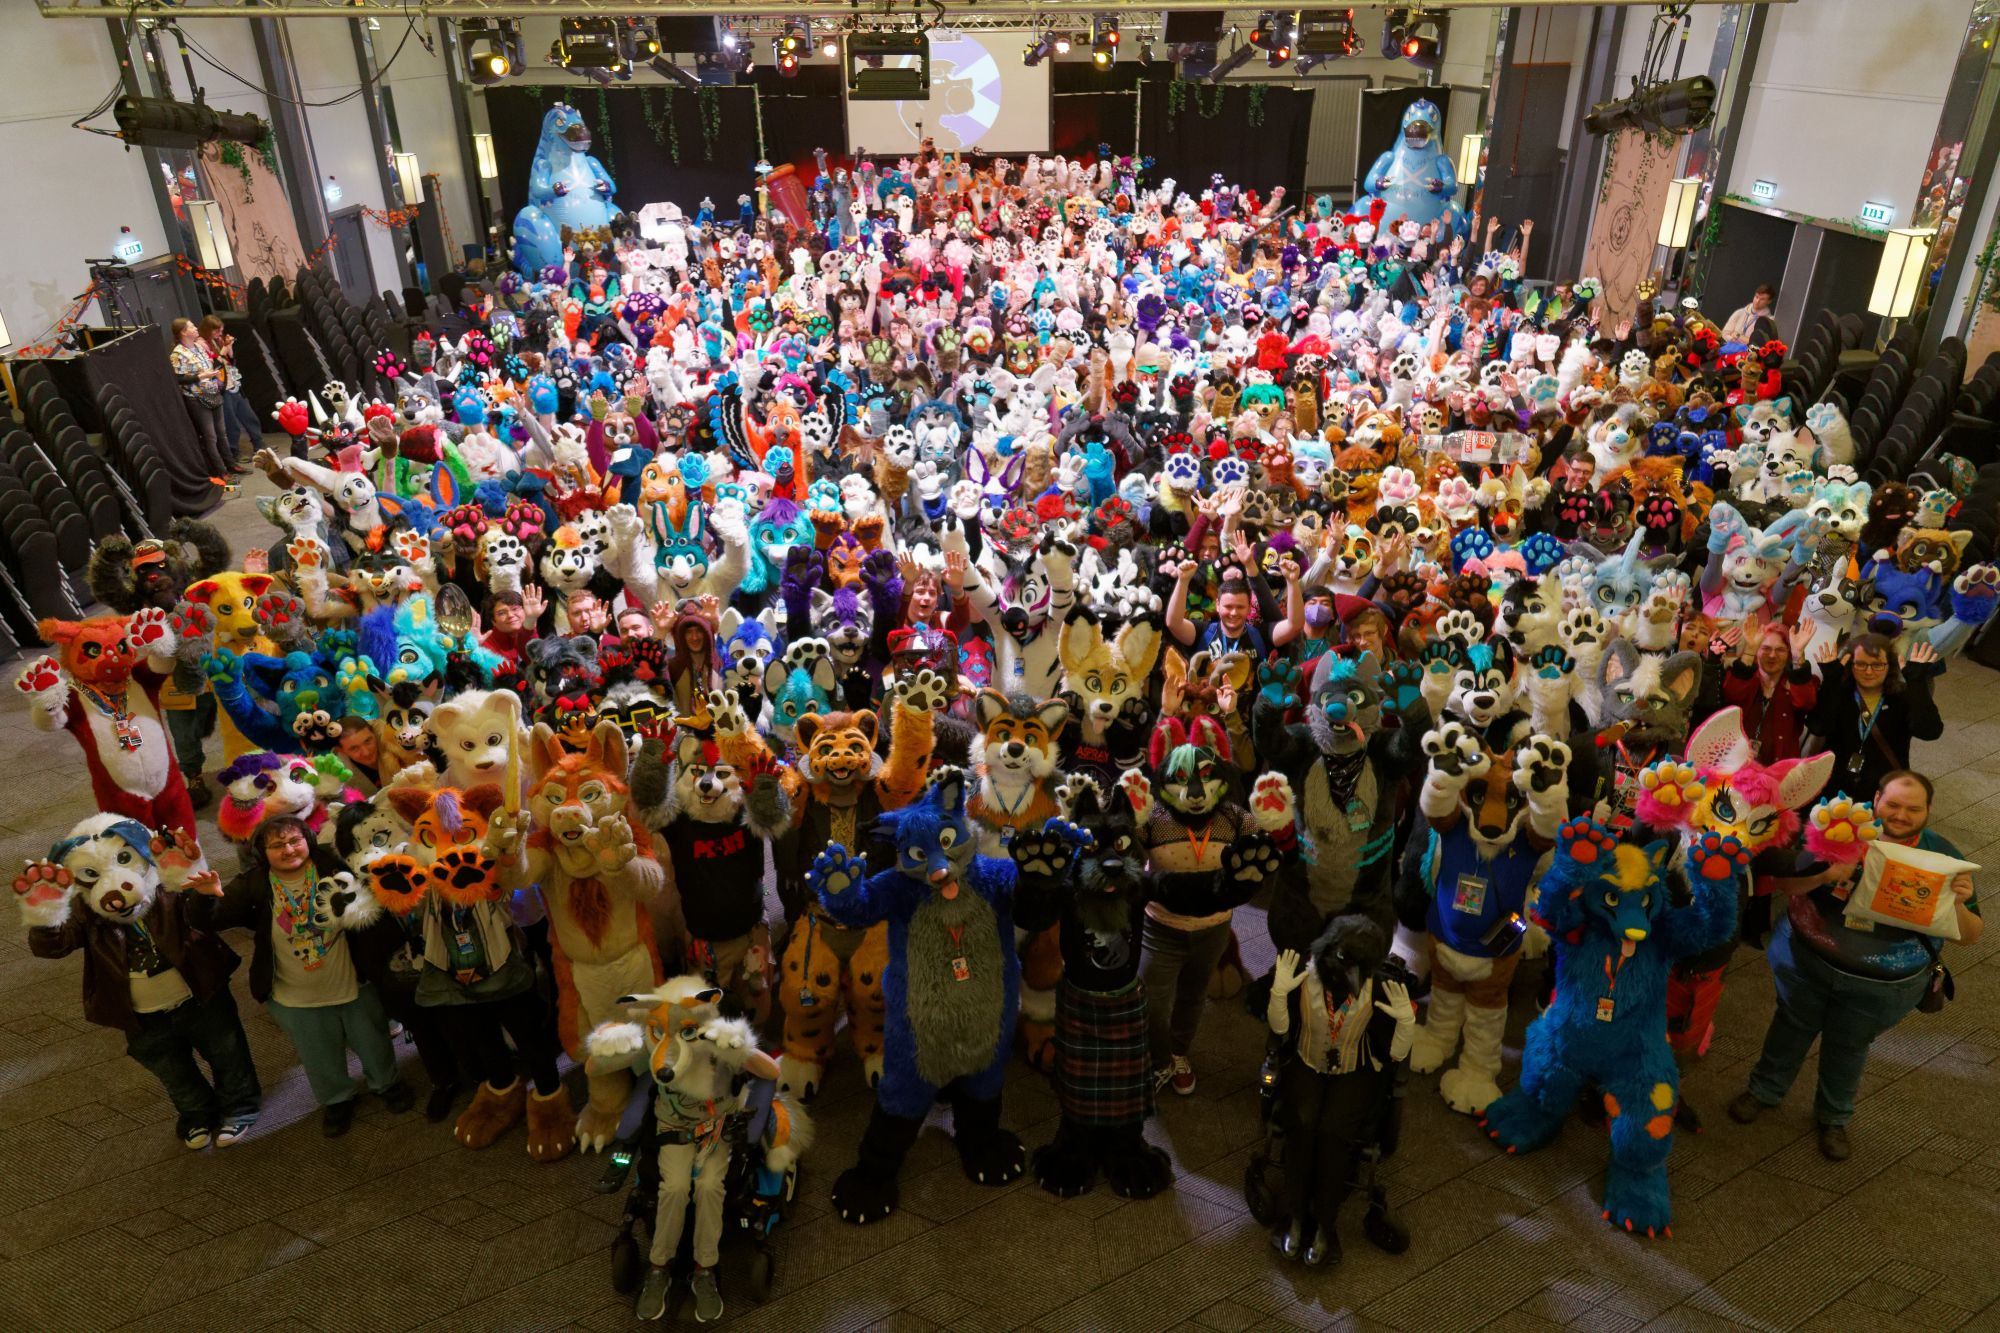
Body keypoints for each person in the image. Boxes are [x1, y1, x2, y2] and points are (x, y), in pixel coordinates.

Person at [1730, 770, 1982, 1159]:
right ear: (1876, 799)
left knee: (1848, 1048)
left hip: (1881, 986)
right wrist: (1828, 871)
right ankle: (1763, 1091)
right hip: (1807, 963)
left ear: (1928, 811)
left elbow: (1969, 936)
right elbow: (1786, 887)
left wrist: (1959, 903)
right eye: (1893, 804)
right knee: (1789, 1027)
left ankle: (1833, 1117)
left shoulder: (1944, 858)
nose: (1900, 815)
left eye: (1913, 809)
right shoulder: (1836, 828)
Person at [187, 816, 413, 1137]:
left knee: (372, 1038)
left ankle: (387, 1084)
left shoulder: (333, 865)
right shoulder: (255, 882)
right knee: (317, 1052)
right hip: (295, 992)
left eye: (295, 840)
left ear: (308, 839)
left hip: (352, 980)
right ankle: (336, 1100)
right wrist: (205, 895)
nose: (289, 849)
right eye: (277, 845)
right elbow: (208, 921)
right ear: (263, 853)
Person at [1805, 634, 1943, 799]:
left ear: (1889, 665)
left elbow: (1930, 732)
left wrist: (1917, 682)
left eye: (1877, 665)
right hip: (1834, 783)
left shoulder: (1903, 696)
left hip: (1883, 786)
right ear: (1850, 665)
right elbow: (1818, 727)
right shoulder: (1840, 692)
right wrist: (1831, 682)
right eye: (1861, 664)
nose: (1869, 672)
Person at [1720, 621, 1819, 763]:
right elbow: (1731, 696)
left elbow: (1806, 703)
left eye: (1780, 650)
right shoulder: (1744, 677)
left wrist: (1798, 655)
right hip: (1734, 764)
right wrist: (1750, 650)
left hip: (1779, 771)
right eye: (1765, 648)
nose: (1772, 655)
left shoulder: (1799, 682)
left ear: (1788, 654)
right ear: (1757, 650)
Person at [168, 317, 238, 478]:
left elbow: (214, 363)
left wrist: (225, 353)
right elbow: (178, 378)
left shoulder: (199, 347)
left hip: (213, 393)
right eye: (191, 327)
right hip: (197, 397)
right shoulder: (177, 354)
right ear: (184, 332)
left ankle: (231, 464)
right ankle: (221, 471)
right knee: (210, 436)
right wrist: (201, 376)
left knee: (222, 432)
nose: (195, 328)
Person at [200, 315, 262, 464]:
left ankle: (259, 445)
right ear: (208, 330)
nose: (219, 334)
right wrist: (224, 349)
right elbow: (214, 364)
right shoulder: (201, 344)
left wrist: (229, 347)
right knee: (231, 423)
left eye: (221, 331)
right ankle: (234, 452)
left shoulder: (216, 341)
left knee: (249, 416)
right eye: (216, 331)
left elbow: (230, 361)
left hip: (232, 382)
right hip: (221, 387)